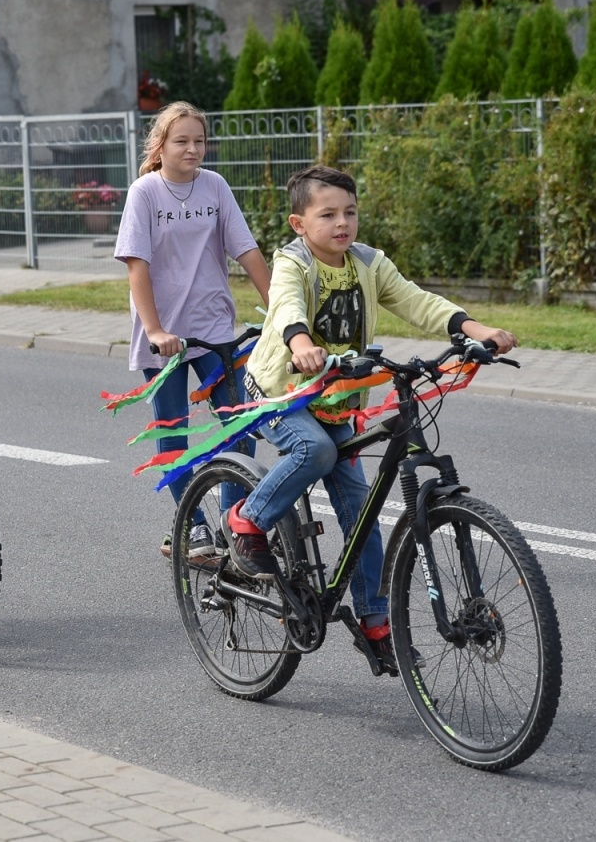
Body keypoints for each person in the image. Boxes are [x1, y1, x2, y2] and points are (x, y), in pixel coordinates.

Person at [229, 164, 517, 670]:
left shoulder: (367, 261)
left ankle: (375, 621)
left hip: (336, 399)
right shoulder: (292, 262)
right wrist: (301, 344)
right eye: (328, 214)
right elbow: (288, 306)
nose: (342, 223)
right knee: (313, 450)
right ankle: (247, 521)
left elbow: (416, 300)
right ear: (300, 224)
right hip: (282, 393)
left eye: (350, 212)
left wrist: (475, 328)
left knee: (363, 518)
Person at [114, 100, 271, 558]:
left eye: (199, 141)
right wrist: (156, 329)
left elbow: (248, 254)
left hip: (214, 328)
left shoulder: (215, 187)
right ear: (160, 146)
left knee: (238, 426)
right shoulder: (144, 192)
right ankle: (193, 524)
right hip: (162, 335)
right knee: (173, 434)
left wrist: (282, 315)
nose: (193, 149)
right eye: (182, 141)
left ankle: (233, 522)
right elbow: (136, 267)